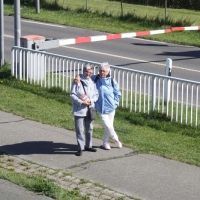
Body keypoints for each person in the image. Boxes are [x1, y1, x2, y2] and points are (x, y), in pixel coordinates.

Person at [75, 62, 122, 150]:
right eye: (100, 71)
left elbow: (117, 93)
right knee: (108, 126)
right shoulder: (95, 78)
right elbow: (85, 75)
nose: (101, 73)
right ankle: (116, 139)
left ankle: (105, 142)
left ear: (108, 71)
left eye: (104, 71)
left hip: (111, 108)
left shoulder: (112, 81)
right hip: (100, 108)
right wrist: (77, 76)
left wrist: (115, 103)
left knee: (109, 126)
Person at [70, 64, 99, 156]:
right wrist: (81, 102)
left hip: (90, 109)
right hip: (80, 110)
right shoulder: (77, 81)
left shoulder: (92, 82)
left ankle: (88, 145)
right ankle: (80, 148)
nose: (88, 74)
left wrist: (91, 101)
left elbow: (96, 95)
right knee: (80, 130)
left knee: (90, 128)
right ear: (83, 72)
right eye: (86, 72)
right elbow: (72, 95)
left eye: (90, 72)